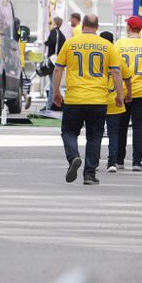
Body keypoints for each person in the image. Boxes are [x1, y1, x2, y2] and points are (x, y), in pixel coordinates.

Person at [53, 14, 123, 185]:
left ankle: (74, 157)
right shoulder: (107, 46)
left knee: (69, 132)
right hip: (98, 99)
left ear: (82, 25)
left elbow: (58, 69)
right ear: (97, 27)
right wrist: (119, 96)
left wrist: (56, 92)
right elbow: (116, 72)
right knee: (94, 137)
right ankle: (89, 174)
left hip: (74, 98)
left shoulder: (70, 42)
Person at [114, 16, 142, 171]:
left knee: (121, 126)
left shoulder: (119, 44)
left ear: (128, 27)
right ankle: (137, 162)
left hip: (124, 91)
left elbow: (114, 68)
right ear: (140, 28)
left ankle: (119, 160)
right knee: (139, 127)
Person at [99, 31, 132, 173]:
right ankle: (112, 162)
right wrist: (127, 94)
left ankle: (93, 162)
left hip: (97, 99)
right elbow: (127, 78)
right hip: (114, 99)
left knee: (95, 134)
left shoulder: (97, 59)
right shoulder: (118, 59)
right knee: (114, 133)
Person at [43, 16, 66, 111]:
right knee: (54, 83)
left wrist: (46, 43)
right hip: (57, 60)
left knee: (53, 83)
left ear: (55, 23)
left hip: (53, 60)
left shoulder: (55, 33)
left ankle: (51, 104)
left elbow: (53, 44)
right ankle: (51, 104)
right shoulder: (61, 34)